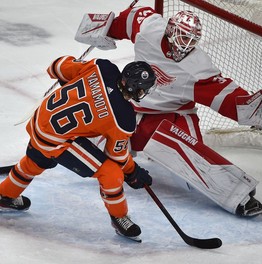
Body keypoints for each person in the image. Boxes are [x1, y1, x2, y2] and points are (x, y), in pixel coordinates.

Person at [76, 6, 262, 217]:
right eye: (182, 37)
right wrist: (106, 28)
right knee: (92, 141)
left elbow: (226, 97)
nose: (185, 44)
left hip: (173, 117)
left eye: (191, 40)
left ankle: (238, 195)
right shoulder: (149, 29)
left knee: (191, 168)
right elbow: (128, 20)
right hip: (133, 110)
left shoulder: (197, 67)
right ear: (169, 31)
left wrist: (252, 108)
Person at [0, 56, 156, 241]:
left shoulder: (102, 67)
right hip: (55, 139)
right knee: (112, 173)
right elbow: (117, 156)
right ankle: (119, 217)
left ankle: (5, 195)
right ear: (134, 87)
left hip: (40, 120)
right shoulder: (123, 117)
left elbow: (57, 67)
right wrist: (133, 172)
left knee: (36, 161)